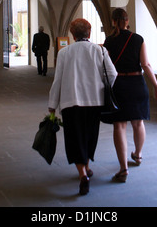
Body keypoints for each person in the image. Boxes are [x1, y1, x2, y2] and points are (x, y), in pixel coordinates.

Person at [48, 18, 117, 195]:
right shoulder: (100, 50)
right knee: (90, 135)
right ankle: (86, 167)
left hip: (71, 103)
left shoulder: (65, 53)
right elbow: (112, 73)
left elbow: (58, 81)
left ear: (72, 34)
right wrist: (100, 86)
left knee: (75, 138)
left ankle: (83, 174)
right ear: (90, 32)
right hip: (94, 102)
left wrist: (52, 105)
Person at [103, 8, 157, 183]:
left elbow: (105, 67)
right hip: (137, 84)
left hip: (118, 85)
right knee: (138, 122)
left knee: (119, 126)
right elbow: (145, 64)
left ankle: (123, 168)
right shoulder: (138, 39)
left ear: (114, 21)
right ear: (127, 21)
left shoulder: (109, 41)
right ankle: (138, 155)